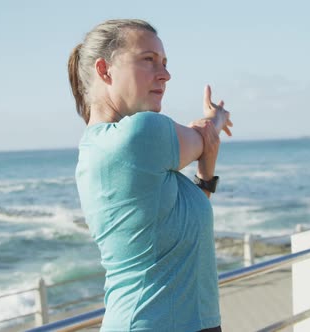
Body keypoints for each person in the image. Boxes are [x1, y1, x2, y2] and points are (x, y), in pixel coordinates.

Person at [68, 19, 232, 332]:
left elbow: (178, 217)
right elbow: (205, 134)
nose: (166, 74)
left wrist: (206, 172)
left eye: (165, 63)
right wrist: (218, 117)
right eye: (148, 60)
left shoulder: (99, 149)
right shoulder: (141, 134)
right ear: (104, 70)